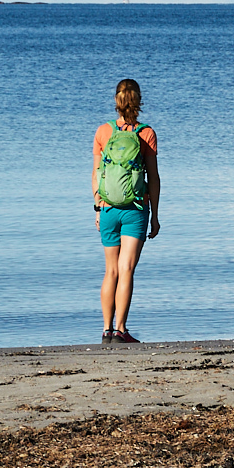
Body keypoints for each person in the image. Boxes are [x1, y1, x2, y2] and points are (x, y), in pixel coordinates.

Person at [92, 77, 160, 344]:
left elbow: (97, 174)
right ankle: (121, 330)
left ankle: (106, 330)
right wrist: (155, 214)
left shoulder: (102, 132)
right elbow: (153, 177)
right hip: (135, 209)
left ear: (116, 102)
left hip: (108, 208)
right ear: (139, 101)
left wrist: (98, 207)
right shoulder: (146, 133)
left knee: (110, 271)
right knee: (127, 270)